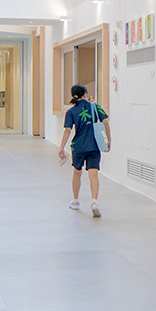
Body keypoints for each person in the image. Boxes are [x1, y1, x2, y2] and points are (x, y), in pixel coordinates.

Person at [58, 83, 110, 217]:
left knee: (77, 172)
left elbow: (67, 130)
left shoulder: (71, 111)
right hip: (94, 145)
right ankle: (94, 201)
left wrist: (61, 147)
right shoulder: (95, 106)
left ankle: (75, 201)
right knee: (93, 173)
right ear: (85, 94)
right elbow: (105, 122)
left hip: (78, 146)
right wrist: (108, 141)